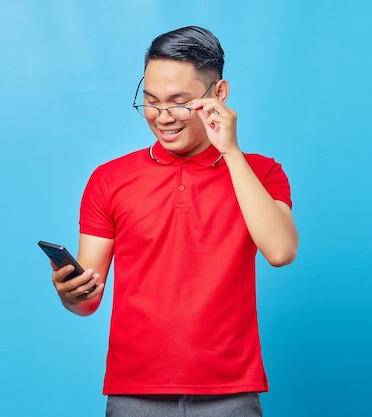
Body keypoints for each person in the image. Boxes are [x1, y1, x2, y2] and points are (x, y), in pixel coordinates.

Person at [50, 26, 299, 417]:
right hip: (134, 390)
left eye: (179, 103)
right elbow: (88, 300)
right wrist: (71, 294)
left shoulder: (261, 173)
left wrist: (231, 152)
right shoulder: (109, 179)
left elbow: (282, 251)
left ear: (219, 95)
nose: (162, 117)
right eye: (151, 102)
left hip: (230, 391)